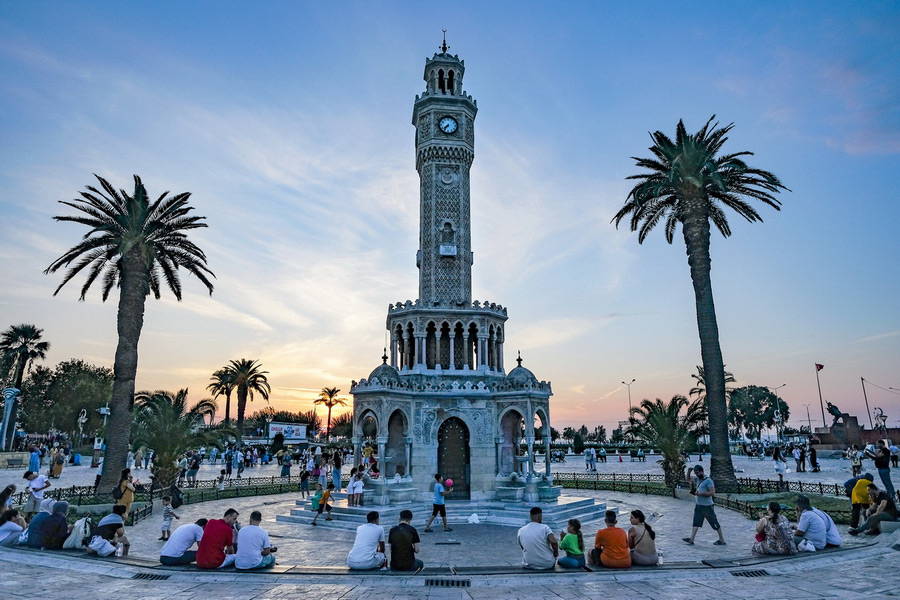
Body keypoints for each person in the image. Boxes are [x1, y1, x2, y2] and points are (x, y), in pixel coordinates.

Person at [683, 464, 726, 545]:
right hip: (699, 506)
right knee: (696, 522)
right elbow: (688, 479)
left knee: (714, 522)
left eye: (698, 473)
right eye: (695, 473)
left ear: (702, 471)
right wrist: (688, 471)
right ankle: (691, 539)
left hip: (707, 506)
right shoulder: (697, 479)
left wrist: (700, 494)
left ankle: (721, 539)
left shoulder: (708, 481)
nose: (697, 474)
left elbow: (712, 492)